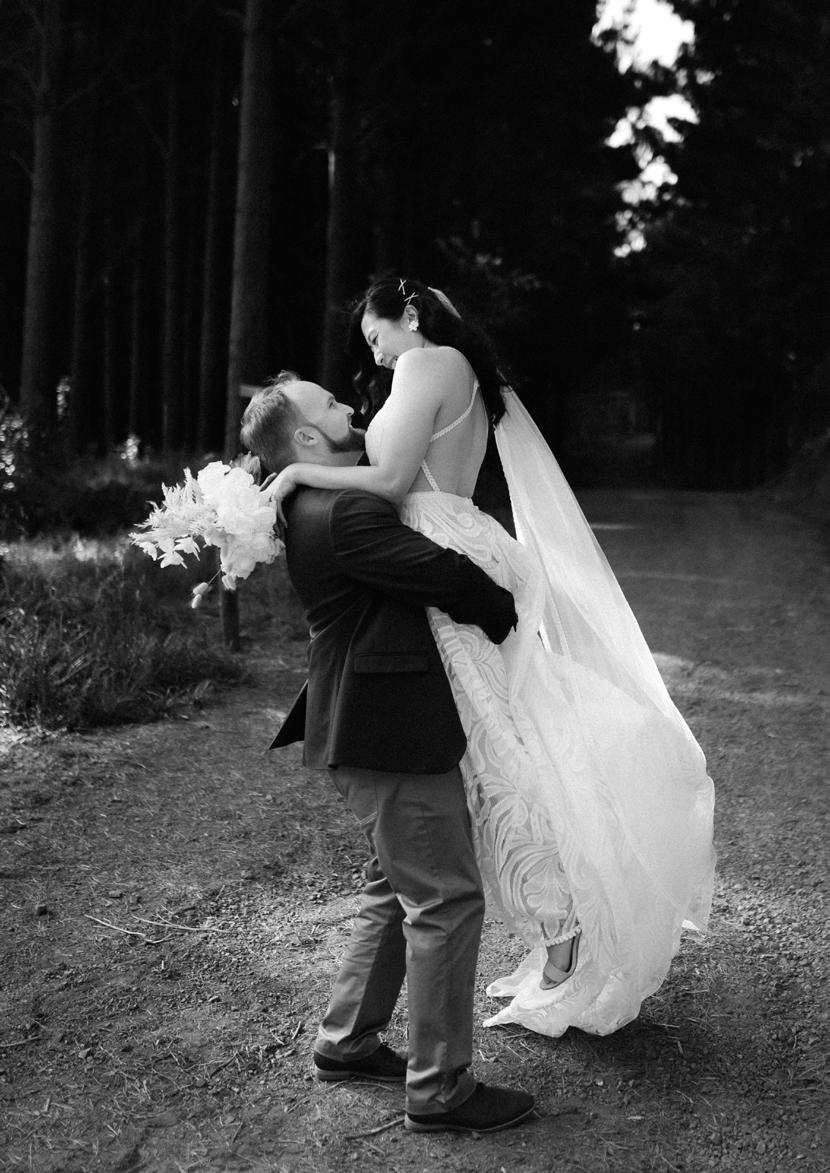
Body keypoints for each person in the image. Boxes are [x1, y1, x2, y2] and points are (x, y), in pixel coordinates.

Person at [263, 277, 716, 1041]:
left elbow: (391, 480)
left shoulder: (426, 363)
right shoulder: (451, 369)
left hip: (443, 546)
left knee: (497, 754)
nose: (375, 358)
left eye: (376, 337)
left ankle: (565, 926)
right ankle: (562, 920)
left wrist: (299, 471)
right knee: (511, 737)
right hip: (461, 534)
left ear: (409, 315)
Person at [239, 375, 535, 1134]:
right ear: (308, 438)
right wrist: (511, 607)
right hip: (388, 729)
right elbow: (441, 574)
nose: (350, 407)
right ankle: (440, 1089)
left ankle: (346, 1040)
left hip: (365, 727)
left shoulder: (316, 501)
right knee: (445, 898)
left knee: (392, 886)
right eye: (331, 406)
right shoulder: (343, 510)